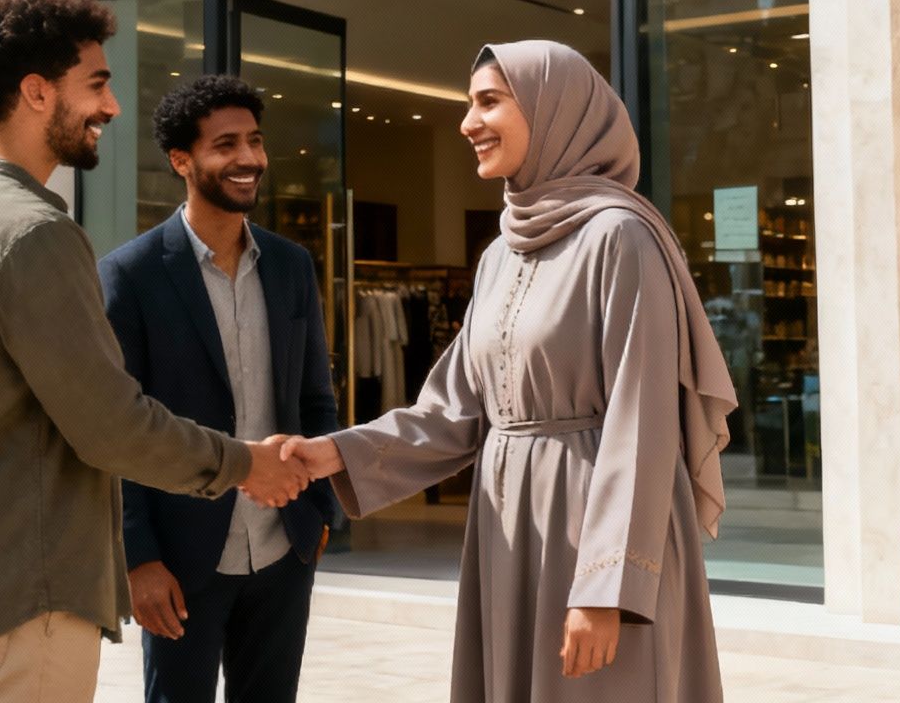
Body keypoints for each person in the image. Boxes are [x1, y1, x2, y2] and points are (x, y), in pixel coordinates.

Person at [0, 0, 310, 703]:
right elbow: (110, 425)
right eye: (97, 85)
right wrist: (244, 464)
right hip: (21, 602)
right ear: (37, 92)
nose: (111, 108)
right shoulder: (35, 232)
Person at [282, 40, 739, 701]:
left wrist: (608, 586)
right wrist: (330, 453)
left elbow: (641, 424)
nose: (468, 123)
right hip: (510, 526)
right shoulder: (500, 253)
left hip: (590, 527)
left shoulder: (620, 237)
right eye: (470, 104)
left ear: (556, 112)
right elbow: (455, 411)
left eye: (489, 101)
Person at [99, 76, 340, 703]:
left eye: (255, 142)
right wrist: (137, 557)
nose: (248, 159)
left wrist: (319, 514)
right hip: (181, 559)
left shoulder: (290, 266)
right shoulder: (130, 276)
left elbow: (317, 399)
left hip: (283, 547)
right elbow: (118, 429)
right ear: (182, 160)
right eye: (225, 144)